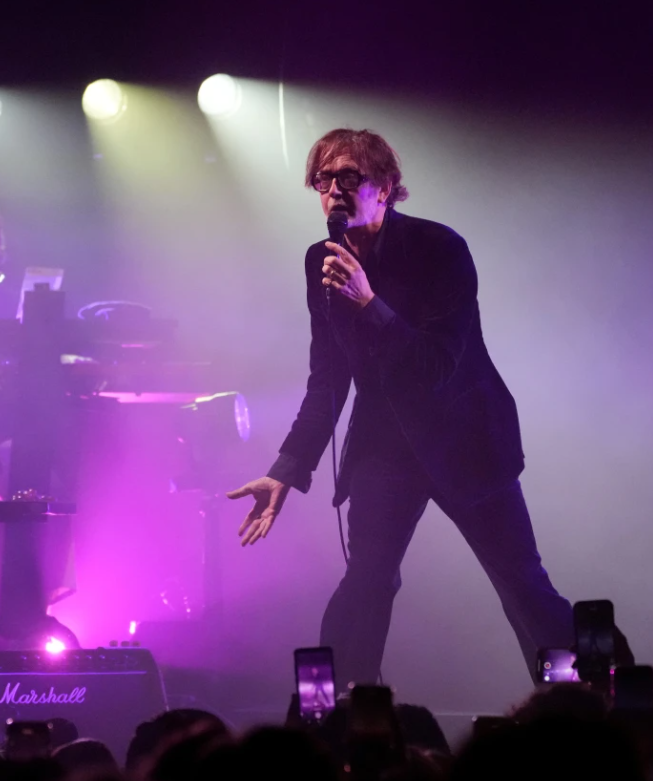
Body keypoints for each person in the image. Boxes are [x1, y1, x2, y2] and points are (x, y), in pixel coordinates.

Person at [227, 129, 573, 686]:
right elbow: (328, 381)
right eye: (323, 179)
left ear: (385, 188)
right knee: (366, 581)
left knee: (522, 583)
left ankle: (581, 703)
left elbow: (437, 365)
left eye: (349, 177)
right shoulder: (322, 260)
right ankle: (335, 710)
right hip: (386, 446)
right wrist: (285, 470)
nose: (334, 190)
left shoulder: (440, 249)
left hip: (467, 438)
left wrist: (369, 302)